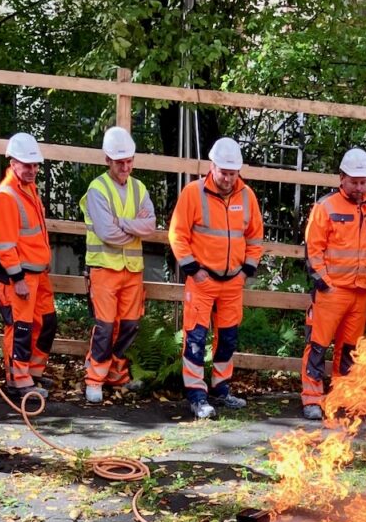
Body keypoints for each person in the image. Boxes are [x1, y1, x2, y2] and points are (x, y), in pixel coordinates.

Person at [168, 137, 263, 419]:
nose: (227, 178)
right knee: (196, 338)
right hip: (202, 280)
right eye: (223, 172)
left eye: (233, 173)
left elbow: (255, 236)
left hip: (233, 281)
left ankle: (221, 390)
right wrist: (193, 270)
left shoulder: (247, 195)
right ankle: (197, 395)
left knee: (228, 339)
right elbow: (177, 234)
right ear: (213, 166)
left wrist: (247, 270)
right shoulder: (193, 193)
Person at [300, 148, 366, 420]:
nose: (360, 187)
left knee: (349, 350)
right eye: (354, 181)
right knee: (318, 345)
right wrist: (324, 283)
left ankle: (341, 396)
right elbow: (314, 250)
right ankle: (312, 398)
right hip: (331, 291)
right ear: (342, 178)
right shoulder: (326, 206)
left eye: (364, 181)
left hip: (360, 292)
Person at [81, 126, 156, 402]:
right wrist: (133, 227)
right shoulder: (97, 189)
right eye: (120, 162)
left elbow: (150, 225)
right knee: (104, 326)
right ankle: (95, 379)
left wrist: (123, 223)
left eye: (129, 161)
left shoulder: (139, 188)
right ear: (107, 160)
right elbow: (106, 233)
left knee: (129, 325)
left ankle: (117, 374)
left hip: (131, 272)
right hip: (104, 269)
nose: (125, 167)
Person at [0, 133, 56, 401]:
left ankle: (32, 372)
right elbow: (6, 245)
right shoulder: (5, 196)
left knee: (46, 322)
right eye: (27, 165)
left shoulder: (27, 189)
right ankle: (18, 380)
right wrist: (17, 278)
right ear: (13, 162)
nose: (33, 170)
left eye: (36, 165)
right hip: (21, 276)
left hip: (37, 272)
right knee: (20, 329)